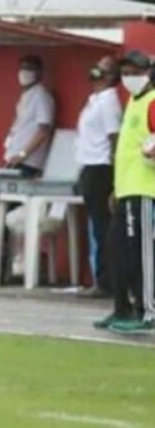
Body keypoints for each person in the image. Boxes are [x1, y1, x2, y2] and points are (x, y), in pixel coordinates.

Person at [95, 51, 155, 334]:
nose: (129, 76)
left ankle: (148, 311)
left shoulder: (153, 102)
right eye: (126, 71)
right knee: (117, 250)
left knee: (140, 253)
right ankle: (122, 307)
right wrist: (116, 189)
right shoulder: (134, 101)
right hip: (126, 188)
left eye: (135, 71)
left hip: (145, 189)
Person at [75, 55, 121, 297]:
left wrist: (116, 176)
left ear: (112, 76)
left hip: (101, 168)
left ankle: (106, 282)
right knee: (97, 228)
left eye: (103, 69)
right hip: (89, 166)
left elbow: (114, 138)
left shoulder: (109, 102)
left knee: (103, 228)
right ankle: (101, 278)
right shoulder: (95, 99)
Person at [3, 55, 55, 177]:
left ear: (39, 72)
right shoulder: (26, 95)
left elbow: (43, 130)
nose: (24, 72)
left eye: (29, 68)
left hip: (28, 161)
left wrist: (22, 154)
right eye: (22, 68)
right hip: (13, 157)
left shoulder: (41, 95)